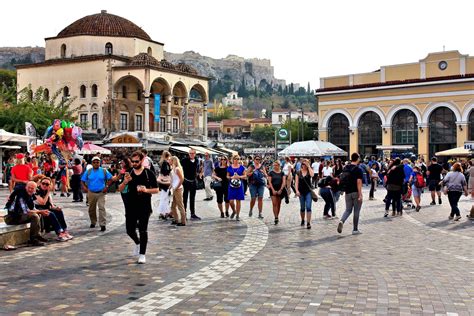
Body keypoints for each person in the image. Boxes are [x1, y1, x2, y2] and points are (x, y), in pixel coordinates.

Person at [118, 151, 159, 264]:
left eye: (137, 161)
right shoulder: (128, 173)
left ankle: (142, 254)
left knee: (143, 230)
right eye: (133, 161)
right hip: (131, 206)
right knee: (129, 230)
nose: (135, 163)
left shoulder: (148, 173)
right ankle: (137, 242)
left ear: (142, 160)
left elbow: (156, 190)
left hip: (144, 206)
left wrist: (146, 190)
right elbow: (120, 189)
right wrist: (125, 181)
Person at [34, 177, 72, 241]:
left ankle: (64, 230)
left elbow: (51, 205)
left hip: (47, 208)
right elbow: (43, 202)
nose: (45, 185)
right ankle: (59, 233)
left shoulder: (47, 192)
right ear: (40, 183)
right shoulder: (36, 191)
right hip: (39, 209)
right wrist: (48, 192)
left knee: (59, 211)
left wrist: (56, 208)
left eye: (47, 184)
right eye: (43, 183)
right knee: (50, 213)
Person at [81, 156, 113, 231]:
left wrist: (107, 186)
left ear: (100, 163)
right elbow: (82, 180)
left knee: (101, 207)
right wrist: (84, 187)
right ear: (92, 163)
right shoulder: (88, 171)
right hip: (91, 192)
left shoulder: (104, 171)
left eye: (97, 162)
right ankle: (93, 221)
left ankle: (103, 224)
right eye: (94, 162)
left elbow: (110, 179)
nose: (96, 164)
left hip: (101, 192)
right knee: (91, 209)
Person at [337, 152, 363, 235]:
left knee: (348, 210)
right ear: (358, 158)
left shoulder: (345, 168)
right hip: (355, 192)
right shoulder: (358, 169)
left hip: (347, 192)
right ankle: (355, 230)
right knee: (356, 211)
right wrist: (360, 194)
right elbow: (359, 182)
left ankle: (342, 221)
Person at [181, 149, 201, 220]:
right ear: (188, 154)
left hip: (193, 181)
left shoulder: (197, 160)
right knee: (185, 198)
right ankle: (184, 214)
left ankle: (193, 214)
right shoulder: (184, 160)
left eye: (193, 153)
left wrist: (198, 175)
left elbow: (197, 170)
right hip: (186, 181)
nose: (191, 154)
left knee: (192, 198)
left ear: (195, 154)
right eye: (190, 153)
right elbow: (180, 170)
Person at [295, 159, 314, 229]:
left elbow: (312, 175)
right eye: (302, 164)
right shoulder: (298, 172)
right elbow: (296, 183)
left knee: (308, 207)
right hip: (301, 192)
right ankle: (303, 220)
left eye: (305, 164)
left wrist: (309, 167)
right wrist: (297, 191)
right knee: (302, 208)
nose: (303, 165)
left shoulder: (309, 171)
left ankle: (308, 223)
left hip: (308, 192)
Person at [227, 155, 246, 221]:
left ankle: (237, 215)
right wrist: (231, 177)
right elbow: (227, 176)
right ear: (233, 159)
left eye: (238, 159)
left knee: (238, 200)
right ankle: (234, 211)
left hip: (239, 185)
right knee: (231, 201)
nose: (236, 160)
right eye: (235, 159)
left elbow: (245, 175)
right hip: (231, 185)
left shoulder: (242, 167)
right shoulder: (229, 167)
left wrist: (239, 176)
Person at [268, 160, 286, 225]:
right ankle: (276, 217)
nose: (275, 166)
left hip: (280, 189)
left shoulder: (282, 173)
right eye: (274, 165)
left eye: (276, 165)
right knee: (274, 204)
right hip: (273, 189)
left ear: (279, 165)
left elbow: (284, 182)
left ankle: (277, 216)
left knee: (279, 204)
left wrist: (281, 190)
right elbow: (269, 182)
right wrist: (272, 190)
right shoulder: (271, 173)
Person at [169, 156, 186, 226]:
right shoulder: (173, 169)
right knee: (173, 206)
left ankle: (183, 221)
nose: (169, 161)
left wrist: (177, 187)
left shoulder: (177, 169)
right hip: (175, 188)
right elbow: (173, 179)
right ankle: (176, 219)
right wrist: (171, 186)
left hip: (178, 189)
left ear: (173, 161)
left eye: (170, 160)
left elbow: (182, 179)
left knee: (180, 205)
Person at [157, 151, 171, 220]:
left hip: (163, 182)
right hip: (165, 182)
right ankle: (163, 212)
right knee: (164, 198)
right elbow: (165, 172)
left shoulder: (162, 163)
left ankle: (164, 212)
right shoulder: (165, 163)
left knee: (164, 198)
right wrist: (170, 170)